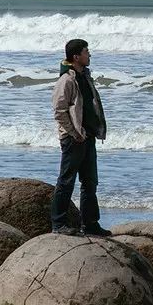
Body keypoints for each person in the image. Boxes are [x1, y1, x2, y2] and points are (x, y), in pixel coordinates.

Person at [50, 38, 111, 236]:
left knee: (90, 182)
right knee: (66, 181)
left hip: (88, 137)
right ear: (76, 56)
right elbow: (59, 111)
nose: (89, 55)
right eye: (86, 52)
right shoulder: (66, 80)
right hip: (73, 139)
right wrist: (75, 133)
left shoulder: (85, 76)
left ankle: (91, 224)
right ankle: (58, 224)